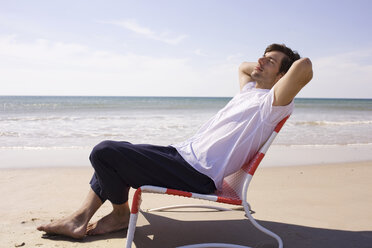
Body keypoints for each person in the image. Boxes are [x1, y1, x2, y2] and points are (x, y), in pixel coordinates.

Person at [37, 43, 313, 239]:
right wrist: (267, 62)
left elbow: (304, 67)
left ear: (281, 77)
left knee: (105, 151)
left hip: (197, 173)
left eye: (270, 62)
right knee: (119, 154)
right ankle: (79, 218)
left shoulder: (272, 105)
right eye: (261, 57)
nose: (260, 61)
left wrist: (280, 70)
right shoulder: (250, 91)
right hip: (180, 155)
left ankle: (120, 215)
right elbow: (242, 68)